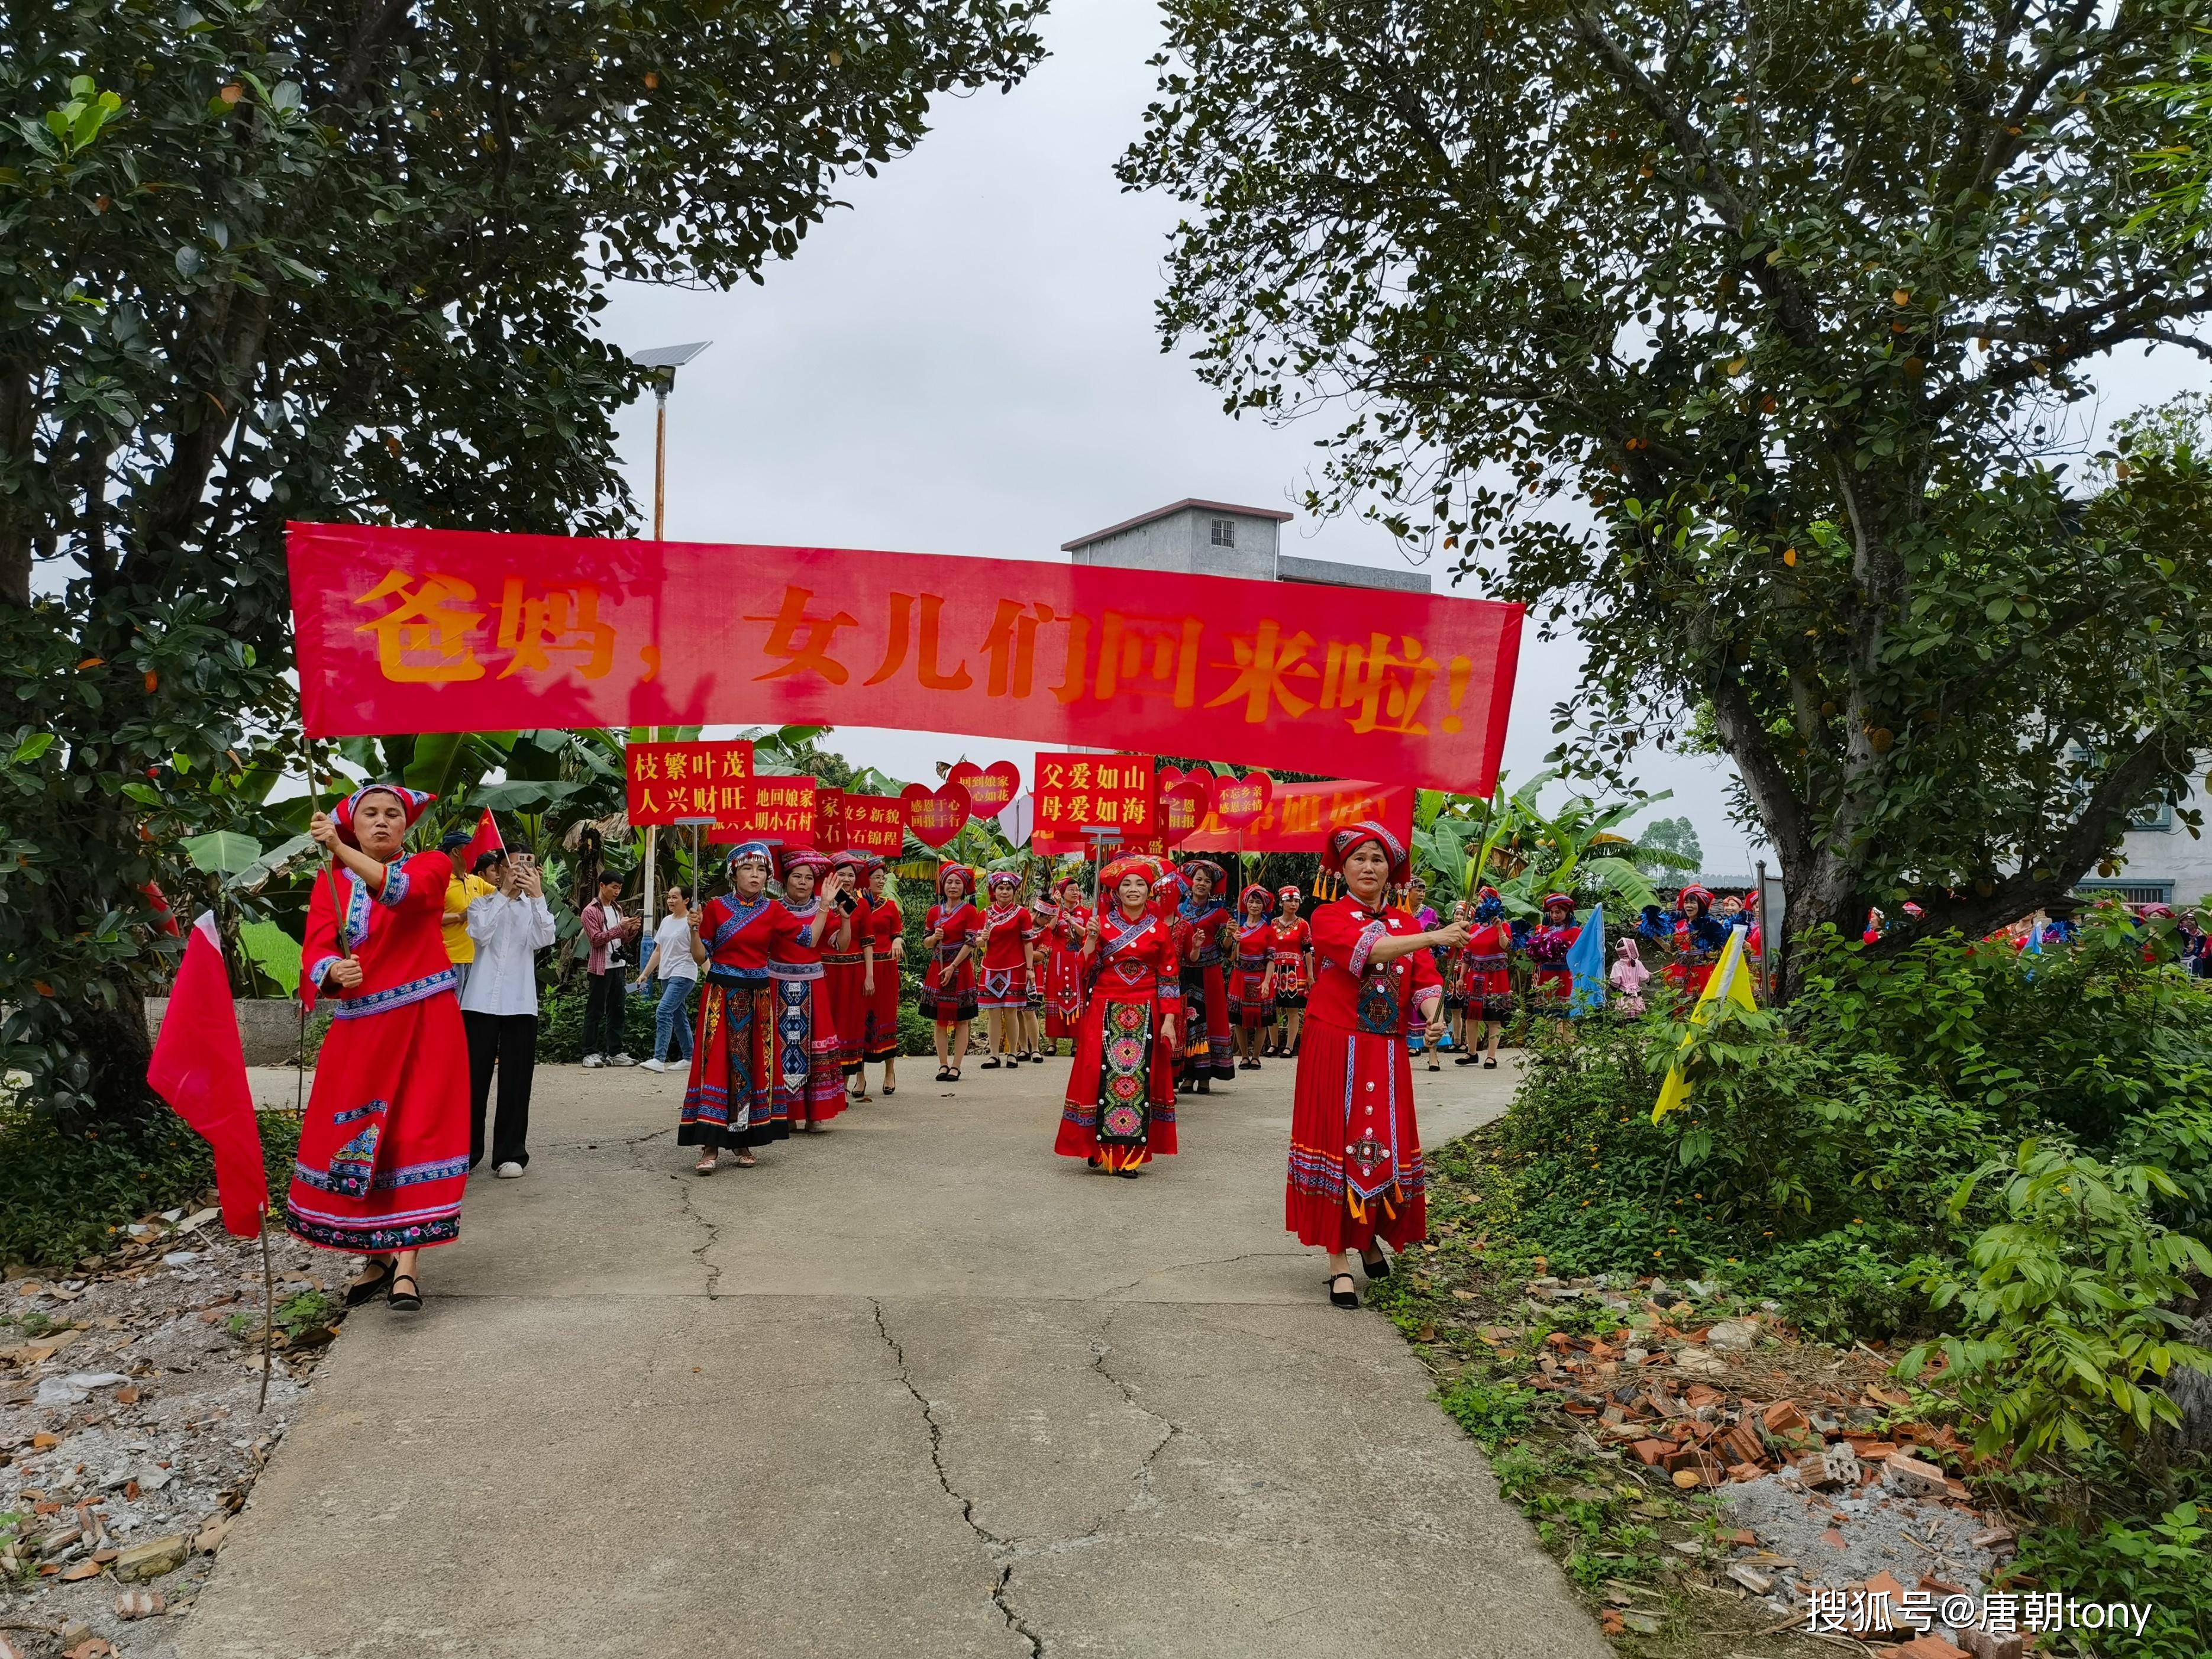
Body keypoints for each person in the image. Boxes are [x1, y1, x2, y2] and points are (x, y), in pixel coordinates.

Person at [290, 784, 468, 1313]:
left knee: (418, 1132)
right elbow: (316, 945)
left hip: (425, 1024)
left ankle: (407, 1267)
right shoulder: (331, 883)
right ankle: (377, 1253)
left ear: (407, 826)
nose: (383, 821)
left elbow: (401, 894)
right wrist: (330, 970)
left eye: (394, 814)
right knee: (364, 1137)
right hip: (361, 1027)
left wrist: (338, 847)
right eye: (370, 814)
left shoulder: (433, 865)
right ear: (355, 821)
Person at [1287, 822, 1467, 1309]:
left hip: (1385, 1050)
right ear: (1342, 868)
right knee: (1334, 1142)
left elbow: (1426, 983)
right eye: (1359, 859)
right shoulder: (1327, 916)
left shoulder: (1407, 923)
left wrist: (1433, 1017)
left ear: (1391, 871)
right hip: (1335, 1045)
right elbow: (1367, 952)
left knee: (1375, 1146)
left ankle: (1366, 1236)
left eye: (1378, 859)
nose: (1369, 867)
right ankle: (1337, 1260)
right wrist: (1433, 935)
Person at [680, 842, 806, 1174]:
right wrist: (693, 929)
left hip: (759, 997)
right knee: (717, 1063)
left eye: (762, 870)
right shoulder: (716, 907)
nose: (755, 875)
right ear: (734, 872)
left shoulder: (775, 910)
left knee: (751, 1066)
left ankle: (742, 1139)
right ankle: (709, 1144)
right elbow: (700, 956)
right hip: (721, 993)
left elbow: (807, 940)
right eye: (748, 869)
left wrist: (823, 907)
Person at [1054, 856, 1181, 1176]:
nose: (1133, 889)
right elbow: (1086, 970)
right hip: (1105, 1006)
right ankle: (1096, 1147)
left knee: (1139, 1079)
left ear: (1149, 891)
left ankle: (1129, 1154)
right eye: (1127, 884)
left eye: (1140, 884)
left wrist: (1169, 1020)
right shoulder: (1101, 923)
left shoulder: (1160, 930)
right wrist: (1093, 940)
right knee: (1097, 1073)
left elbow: (1169, 975)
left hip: (1147, 1009)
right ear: (1117, 891)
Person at [456, 847, 556, 1176]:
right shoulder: (481, 904)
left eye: (528, 864)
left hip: (520, 1004)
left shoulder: (535, 908)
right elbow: (481, 934)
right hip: (479, 1002)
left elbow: (544, 939)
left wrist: (537, 896)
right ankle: (464, 1153)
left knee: (516, 1082)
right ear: (499, 870)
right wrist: (503, 894)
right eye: (513, 865)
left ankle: (510, 1154)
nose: (521, 870)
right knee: (472, 1081)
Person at [772, 849, 847, 1134]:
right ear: (785, 880)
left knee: (814, 1044)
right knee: (783, 1047)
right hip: (777, 983)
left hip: (813, 985)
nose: (802, 882)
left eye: (807, 878)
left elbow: (841, 942)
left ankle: (816, 1111)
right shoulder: (772, 908)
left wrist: (842, 914)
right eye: (796, 877)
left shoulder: (823, 905)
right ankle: (787, 1112)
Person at [1176, 858, 1237, 1093]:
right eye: (1198, 879)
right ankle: (1188, 1075)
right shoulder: (1178, 910)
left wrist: (1232, 936)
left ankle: (1205, 1077)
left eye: (1207, 881)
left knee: (1209, 1020)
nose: (1202, 884)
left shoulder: (1220, 914)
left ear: (1212, 887)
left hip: (1209, 972)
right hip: (1184, 972)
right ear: (1191, 882)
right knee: (1186, 1020)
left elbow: (1227, 949)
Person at [819, 851, 876, 1098]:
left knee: (850, 1025)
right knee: (825, 1024)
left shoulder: (862, 904)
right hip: (824, 973)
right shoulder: (819, 902)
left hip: (853, 973)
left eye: (851, 875)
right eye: (841, 874)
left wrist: (870, 975)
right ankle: (823, 1081)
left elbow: (867, 942)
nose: (846, 879)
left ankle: (842, 1084)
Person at [921, 864, 982, 1082]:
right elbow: (926, 943)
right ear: (942, 885)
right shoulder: (933, 912)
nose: (953, 886)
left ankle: (956, 1066)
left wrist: (954, 965)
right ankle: (942, 1064)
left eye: (958, 882)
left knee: (961, 1020)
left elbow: (971, 942)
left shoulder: (969, 911)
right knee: (940, 1020)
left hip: (960, 967)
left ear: (964, 888)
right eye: (949, 882)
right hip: (938, 967)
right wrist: (935, 938)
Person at [632, 883, 700, 1073]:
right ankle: (689, 1057)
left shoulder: (692, 922)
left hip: (684, 973)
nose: (670, 901)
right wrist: (645, 974)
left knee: (663, 1011)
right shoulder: (666, 921)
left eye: (675, 897)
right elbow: (658, 950)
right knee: (679, 1016)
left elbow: (700, 950)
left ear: (686, 900)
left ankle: (658, 1059)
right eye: (669, 897)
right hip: (666, 974)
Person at [976, 870, 1039, 1069]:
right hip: (991, 967)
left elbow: (1028, 943)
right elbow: (977, 943)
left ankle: (1013, 1052)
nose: (1005, 892)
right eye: (1001, 888)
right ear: (994, 892)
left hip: (1015, 966)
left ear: (1014, 891)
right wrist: (982, 939)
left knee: (1011, 1011)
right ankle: (994, 1055)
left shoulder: (1021, 914)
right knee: (993, 1012)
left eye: (1008, 888)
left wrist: (1030, 969)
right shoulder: (985, 914)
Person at [580, 870, 642, 1067]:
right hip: (600, 968)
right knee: (595, 1011)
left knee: (618, 1011)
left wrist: (631, 931)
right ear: (602, 886)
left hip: (618, 966)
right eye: (614, 887)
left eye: (620, 888)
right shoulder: (590, 911)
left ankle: (615, 1052)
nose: (617, 892)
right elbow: (596, 939)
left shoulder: (618, 910)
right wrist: (619, 929)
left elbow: (621, 940)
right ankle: (589, 1053)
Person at [1455, 886, 1514, 1067]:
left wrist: (1499, 929)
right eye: (1479, 902)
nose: (1480, 905)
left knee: (1493, 1017)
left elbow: (1507, 947)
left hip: (1496, 977)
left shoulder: (1503, 926)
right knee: (1471, 1016)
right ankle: (1472, 1052)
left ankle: (1491, 1056)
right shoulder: (1474, 928)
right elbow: (1467, 955)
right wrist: (1462, 977)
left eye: (1482, 901)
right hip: (1476, 976)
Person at [860, 860, 905, 1096]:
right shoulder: (855, 904)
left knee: (887, 1017)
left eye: (882, 877)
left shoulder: (890, 906)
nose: (881, 881)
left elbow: (897, 933)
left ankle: (890, 1072)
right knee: (859, 1020)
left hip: (886, 969)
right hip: (860, 968)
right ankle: (860, 1076)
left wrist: (897, 940)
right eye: (875, 876)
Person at [1640, 885, 1726, 999]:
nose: (1688, 906)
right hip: (1681, 973)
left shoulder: (1710, 925)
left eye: (1692, 903)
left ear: (1700, 905)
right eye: (1686, 902)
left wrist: (1708, 950)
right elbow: (1671, 949)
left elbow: (1717, 953)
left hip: (1702, 973)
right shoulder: (1679, 925)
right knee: (1680, 1006)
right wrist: (1654, 935)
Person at [1040, 872, 1090, 1056]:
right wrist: (1055, 907)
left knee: (1079, 997)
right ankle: (1052, 1042)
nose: (1075, 893)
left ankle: (1077, 1043)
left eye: (1077, 890)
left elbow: (1086, 933)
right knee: (1055, 994)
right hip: (1059, 960)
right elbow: (1050, 928)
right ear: (1062, 893)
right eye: (1071, 890)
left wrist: (1072, 922)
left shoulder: (1086, 912)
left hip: (1078, 959)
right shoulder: (1057, 912)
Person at [441, 841, 498, 1002]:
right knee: (451, 1009)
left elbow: (502, 896)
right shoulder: (441, 882)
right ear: (456, 852)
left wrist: (525, 877)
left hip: (474, 958)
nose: (475, 855)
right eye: (471, 850)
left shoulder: (476, 881)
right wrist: (460, 917)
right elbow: (427, 918)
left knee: (468, 1011)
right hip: (449, 958)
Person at [1229, 885, 1275, 1070]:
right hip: (1240, 975)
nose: (1254, 905)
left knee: (1261, 1020)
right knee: (1240, 1020)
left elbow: (1271, 958)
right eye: (1251, 901)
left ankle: (1256, 1056)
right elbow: (1231, 957)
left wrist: (1266, 981)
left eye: (1258, 902)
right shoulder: (1238, 928)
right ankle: (1244, 1056)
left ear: (1263, 906)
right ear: (1245, 903)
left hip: (1260, 975)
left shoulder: (1269, 931)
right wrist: (1235, 941)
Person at [1267, 884, 1312, 1058]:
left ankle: (1290, 1046)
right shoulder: (1272, 923)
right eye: (1290, 900)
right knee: (1273, 1008)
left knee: (1292, 1010)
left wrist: (1310, 975)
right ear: (1282, 902)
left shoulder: (1303, 925)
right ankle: (1273, 1044)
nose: (1294, 904)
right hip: (1275, 971)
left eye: (1296, 901)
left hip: (1295, 972)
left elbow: (1308, 951)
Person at [1525, 893, 1581, 1012]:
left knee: (1565, 1016)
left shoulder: (1574, 931)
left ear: (1567, 912)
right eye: (1552, 912)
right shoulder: (1545, 929)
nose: (1554, 916)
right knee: (1548, 1015)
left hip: (1564, 976)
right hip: (1546, 975)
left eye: (1558, 912)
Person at [1610, 935, 1652, 1015]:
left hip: (1624, 996)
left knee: (1623, 1019)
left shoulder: (1617, 965)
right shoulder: (1638, 963)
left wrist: (1616, 989)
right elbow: (1645, 977)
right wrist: (1649, 980)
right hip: (1637, 995)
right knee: (1638, 1018)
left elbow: (1615, 982)